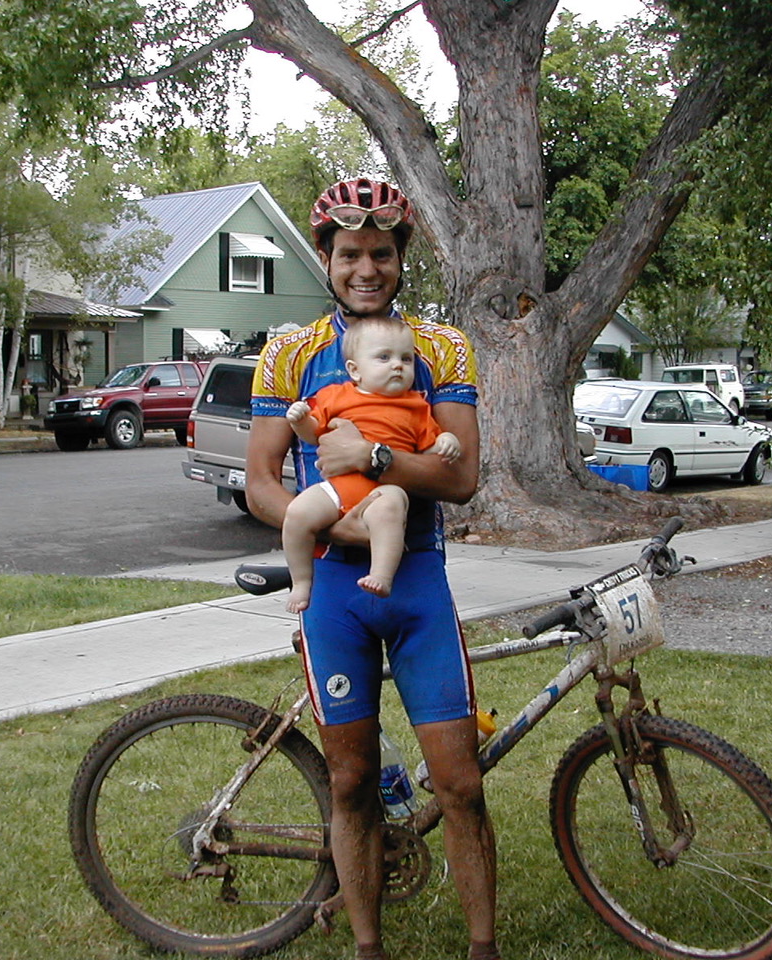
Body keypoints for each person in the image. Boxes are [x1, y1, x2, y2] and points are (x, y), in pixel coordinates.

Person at [247, 179, 499, 960]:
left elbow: (461, 478)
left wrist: (378, 457)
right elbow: (260, 482)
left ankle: (483, 948)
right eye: (350, 254)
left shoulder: (441, 348)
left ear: (399, 258)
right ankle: (367, 948)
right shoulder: (289, 354)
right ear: (325, 258)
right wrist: (336, 519)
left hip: (416, 578)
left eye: (381, 254)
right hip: (333, 590)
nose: (366, 269)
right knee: (351, 781)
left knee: (459, 782)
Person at [281, 315, 461, 613]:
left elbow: (429, 448)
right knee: (297, 513)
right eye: (384, 357)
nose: (397, 365)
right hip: (339, 488)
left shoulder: (417, 407)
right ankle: (301, 581)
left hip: (385, 488)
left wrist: (447, 440)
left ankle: (381, 575)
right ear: (355, 369)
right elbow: (314, 433)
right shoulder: (334, 396)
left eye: (406, 359)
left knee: (390, 510)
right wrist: (300, 421)